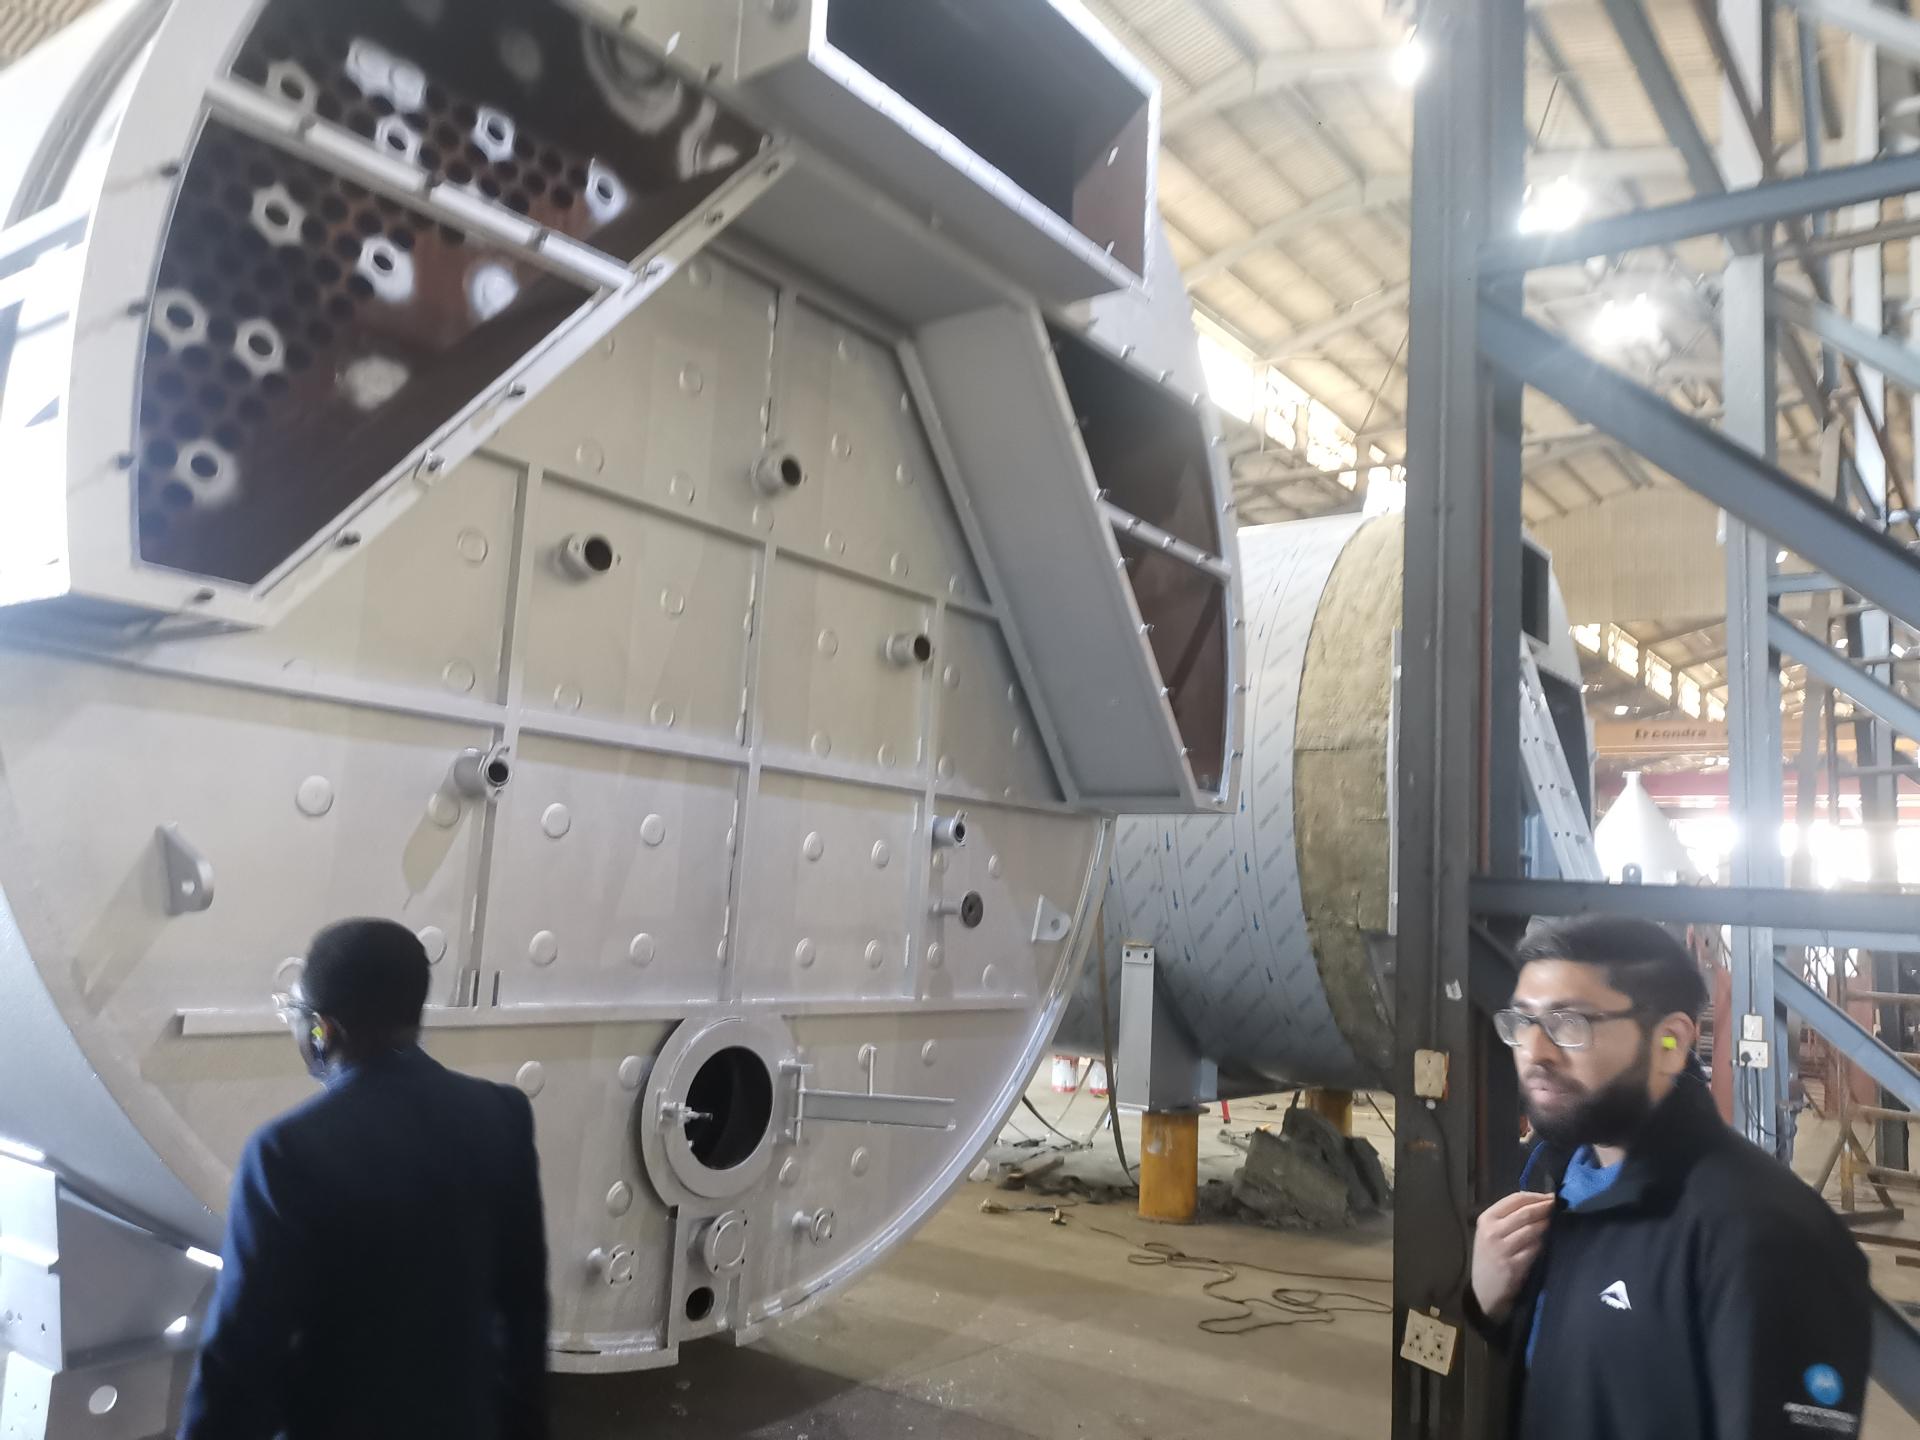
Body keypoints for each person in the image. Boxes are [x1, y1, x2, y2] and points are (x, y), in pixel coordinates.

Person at [1468, 914, 1872, 1440]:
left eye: (1569, 1024)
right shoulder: (1573, 1186)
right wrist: (1491, 1306)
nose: (1535, 1053)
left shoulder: (1766, 1237)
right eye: (1524, 1022)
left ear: (1671, 1042)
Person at [178, 918, 549, 1440]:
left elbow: (241, 1357)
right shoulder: (501, 1114)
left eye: (296, 1013)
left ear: (322, 1029)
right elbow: (523, 1308)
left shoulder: (287, 1152)